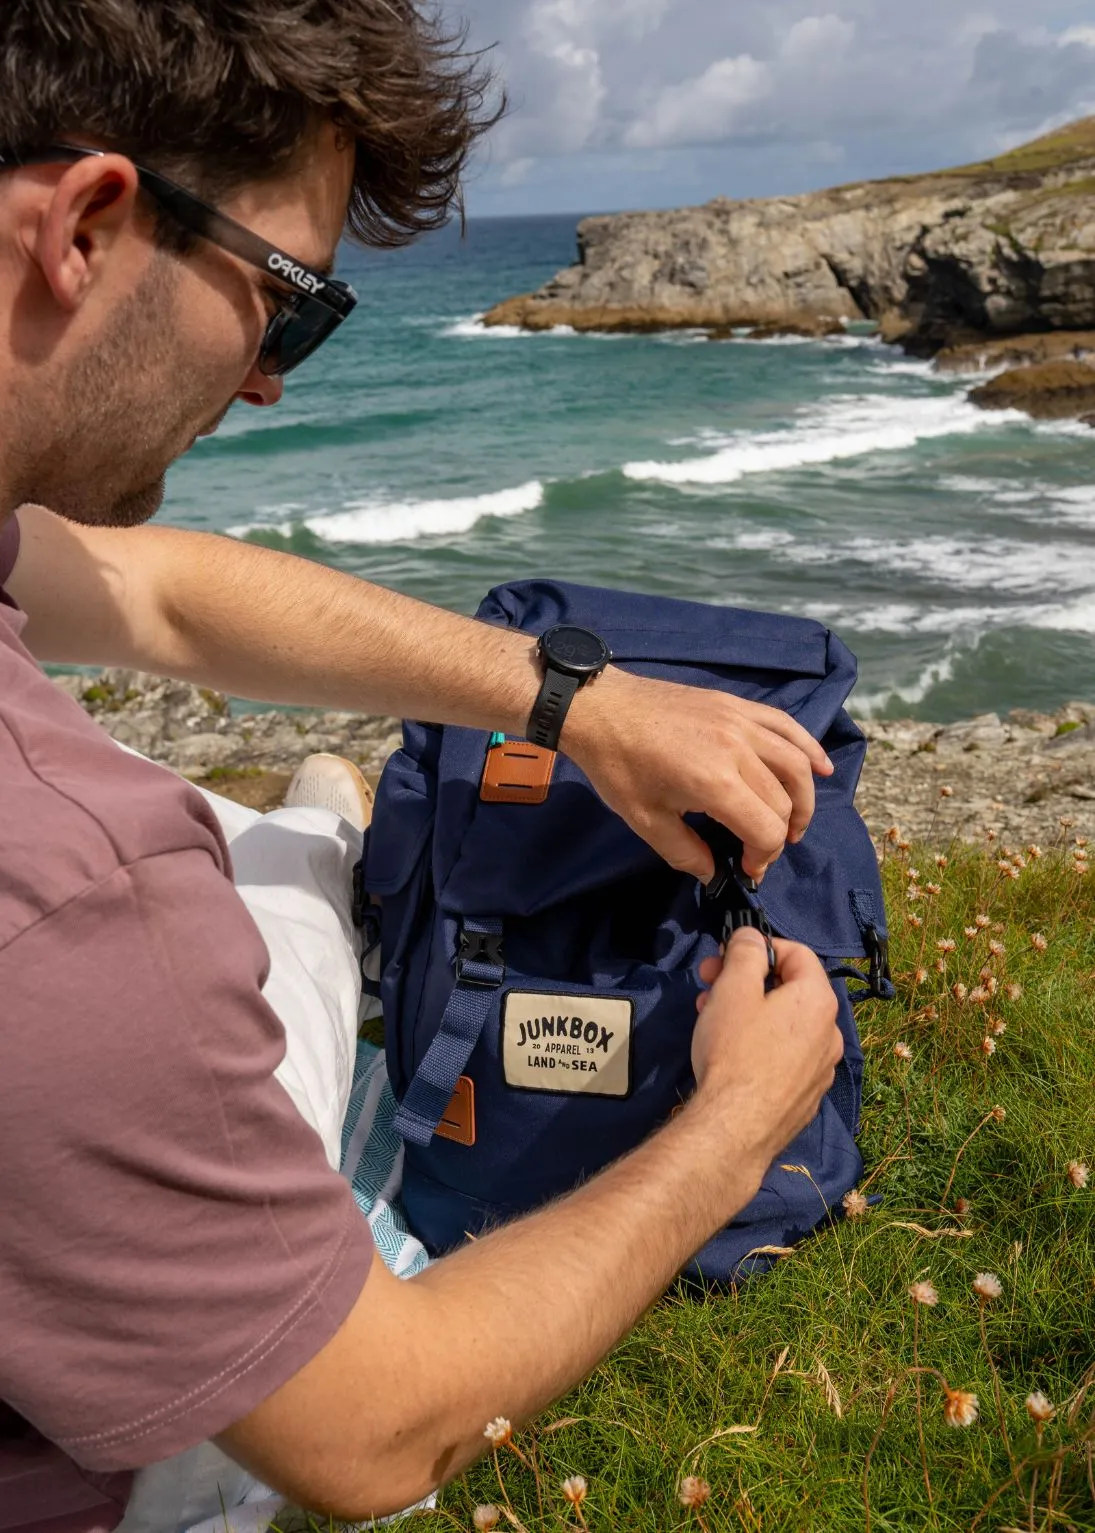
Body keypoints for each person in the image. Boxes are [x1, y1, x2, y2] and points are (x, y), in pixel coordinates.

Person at [0, 2, 846, 1526]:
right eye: (290, 302)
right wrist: (737, 1121)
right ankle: (315, 859)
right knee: (276, 958)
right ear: (85, 223)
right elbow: (378, 1435)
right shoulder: (68, 894)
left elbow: (161, 594)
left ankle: (307, 846)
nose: (272, 380)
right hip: (142, 1445)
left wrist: (570, 700)